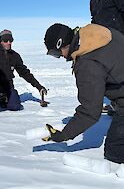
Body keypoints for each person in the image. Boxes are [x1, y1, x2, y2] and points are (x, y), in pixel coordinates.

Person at [44, 23, 124, 164]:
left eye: (56, 53)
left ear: (62, 44)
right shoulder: (96, 33)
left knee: (114, 151)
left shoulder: (87, 64)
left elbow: (90, 111)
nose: (60, 57)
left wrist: (63, 135)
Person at [0, 29, 47, 113]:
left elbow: (24, 73)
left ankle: (4, 100)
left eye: (11, 40)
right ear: (1, 41)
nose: (8, 42)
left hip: (7, 87)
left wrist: (39, 86)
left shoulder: (15, 56)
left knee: (15, 106)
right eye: (6, 40)